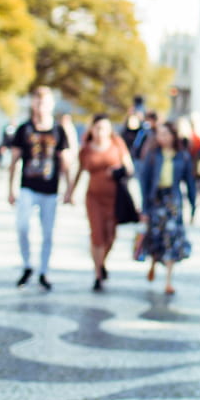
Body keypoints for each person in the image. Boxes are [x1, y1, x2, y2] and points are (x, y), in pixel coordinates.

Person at [8, 86, 71, 292]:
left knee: (48, 233)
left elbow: (64, 161)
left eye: (45, 102)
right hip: (28, 186)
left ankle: (43, 271)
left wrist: (69, 188)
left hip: (50, 189)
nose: (41, 106)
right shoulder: (24, 129)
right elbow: (14, 160)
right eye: (37, 101)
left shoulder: (58, 130)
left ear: (51, 104)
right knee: (22, 226)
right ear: (33, 104)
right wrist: (10, 189)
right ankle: (27, 265)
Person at [68, 114, 134, 292]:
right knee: (97, 234)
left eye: (105, 128)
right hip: (93, 198)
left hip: (114, 198)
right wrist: (70, 193)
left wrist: (117, 171)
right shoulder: (87, 150)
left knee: (110, 235)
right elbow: (79, 172)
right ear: (92, 129)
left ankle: (102, 262)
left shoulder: (117, 144)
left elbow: (129, 168)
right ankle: (98, 273)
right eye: (97, 128)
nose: (101, 132)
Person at [138, 121, 195, 295]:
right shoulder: (153, 155)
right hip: (156, 199)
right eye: (159, 134)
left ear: (173, 136)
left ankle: (168, 280)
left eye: (166, 134)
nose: (162, 138)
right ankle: (154, 263)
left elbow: (190, 183)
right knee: (155, 235)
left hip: (173, 200)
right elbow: (144, 182)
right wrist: (144, 209)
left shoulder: (183, 156)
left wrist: (193, 207)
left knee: (171, 237)